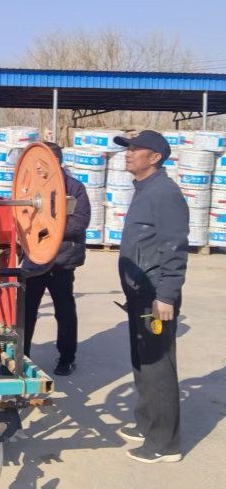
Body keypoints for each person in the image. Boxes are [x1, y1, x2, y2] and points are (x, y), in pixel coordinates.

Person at [113, 130, 187, 464]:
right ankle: (146, 424)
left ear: (155, 157)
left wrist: (167, 296)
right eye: (127, 148)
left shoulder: (165, 193)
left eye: (135, 149)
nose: (128, 153)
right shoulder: (144, 189)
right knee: (143, 364)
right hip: (139, 293)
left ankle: (164, 445)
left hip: (156, 295)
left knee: (158, 369)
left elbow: (174, 248)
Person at [23, 142, 91, 376]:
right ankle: (21, 356)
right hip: (34, 257)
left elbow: (80, 223)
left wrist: (46, 229)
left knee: (64, 311)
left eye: (41, 163)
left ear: (56, 162)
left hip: (62, 259)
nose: (37, 168)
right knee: (26, 310)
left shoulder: (74, 188)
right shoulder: (30, 187)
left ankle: (66, 358)